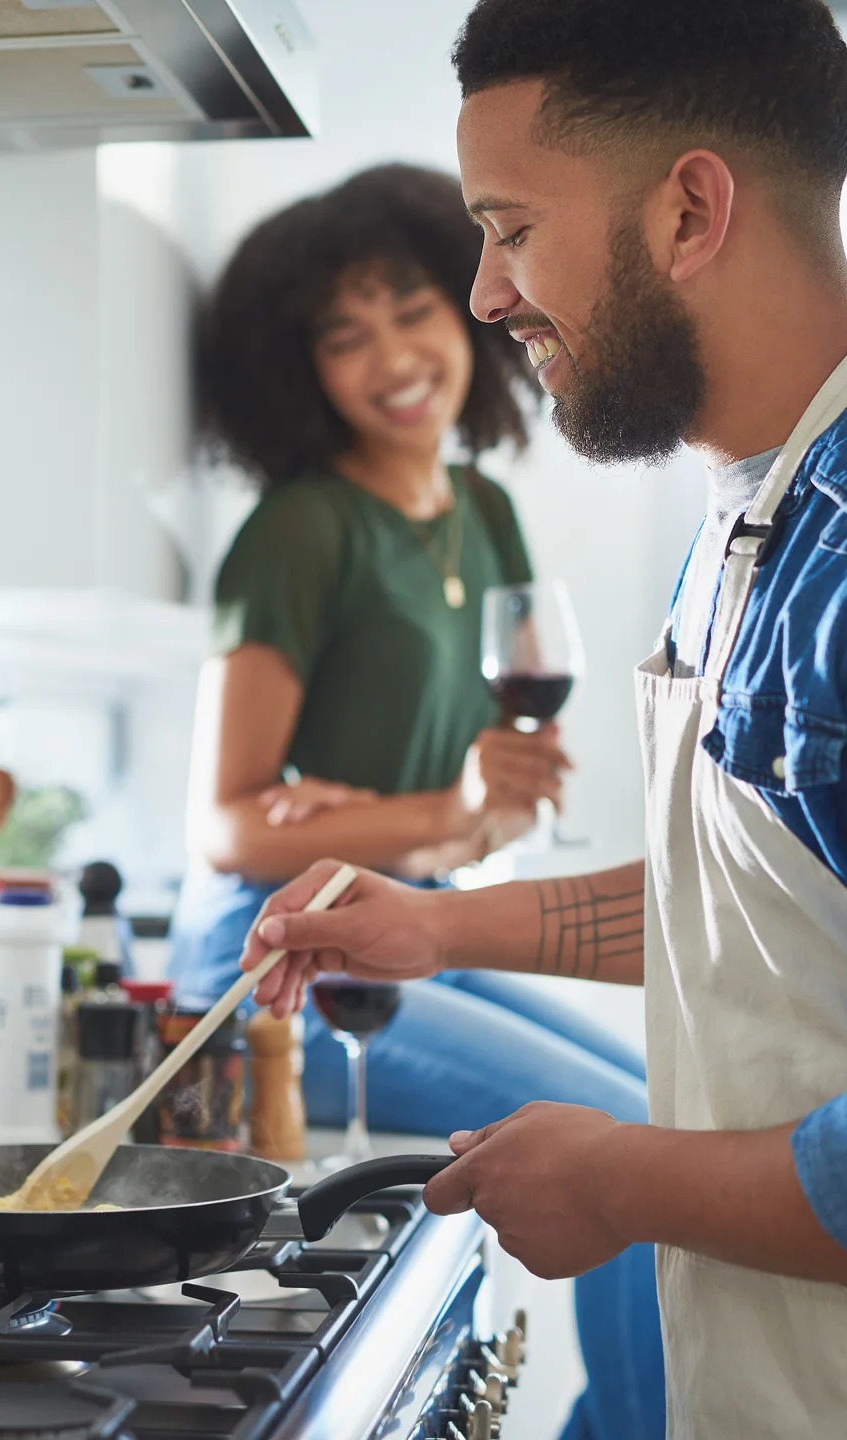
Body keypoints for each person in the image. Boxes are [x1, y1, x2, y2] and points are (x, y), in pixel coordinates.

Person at [244, 1, 847, 1434]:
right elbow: (783, 913)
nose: (484, 293)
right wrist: (439, 927)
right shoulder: (761, 526)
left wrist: (608, 1178)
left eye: (510, 228)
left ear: (688, 211)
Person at [170, 164, 664, 1439]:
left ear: (470, 309)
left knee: (677, 1111)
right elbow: (227, 826)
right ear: (299, 371)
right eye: (344, 336)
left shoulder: (483, 511)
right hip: (270, 959)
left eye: (410, 311)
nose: (392, 356)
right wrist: (437, 810)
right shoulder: (298, 531)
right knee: (627, 1142)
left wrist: (468, 815)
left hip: (413, 922)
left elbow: (480, 818)